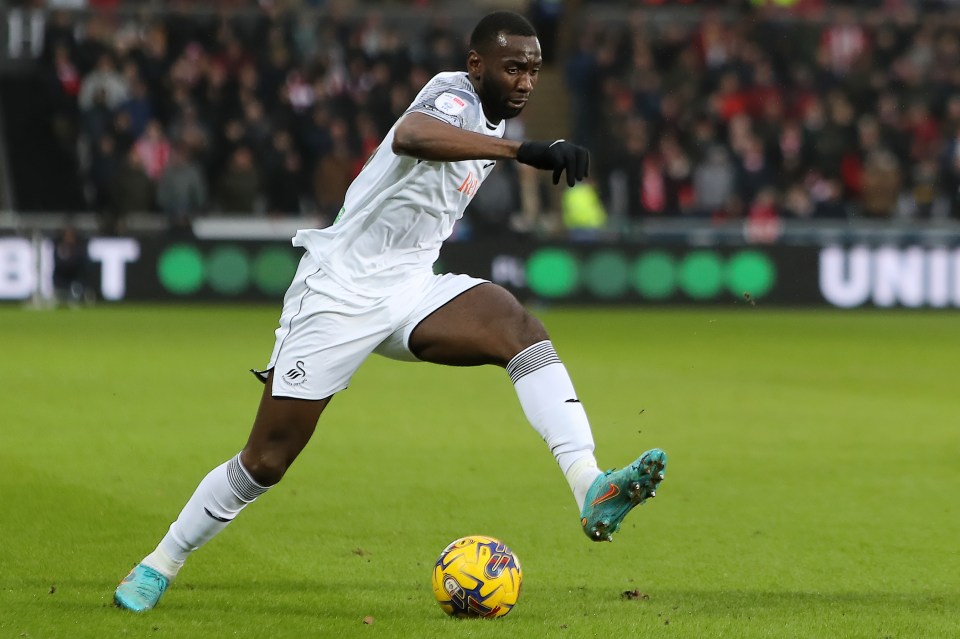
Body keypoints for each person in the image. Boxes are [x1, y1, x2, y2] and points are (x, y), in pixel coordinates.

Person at [114, 11, 667, 613]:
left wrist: (515, 147)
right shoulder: (451, 92)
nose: (526, 81)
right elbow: (411, 137)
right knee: (266, 460)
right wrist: (521, 151)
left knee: (519, 328)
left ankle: (591, 487)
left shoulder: (492, 119)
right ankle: (160, 562)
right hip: (338, 290)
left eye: (533, 69)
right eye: (513, 68)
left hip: (409, 286)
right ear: (477, 65)